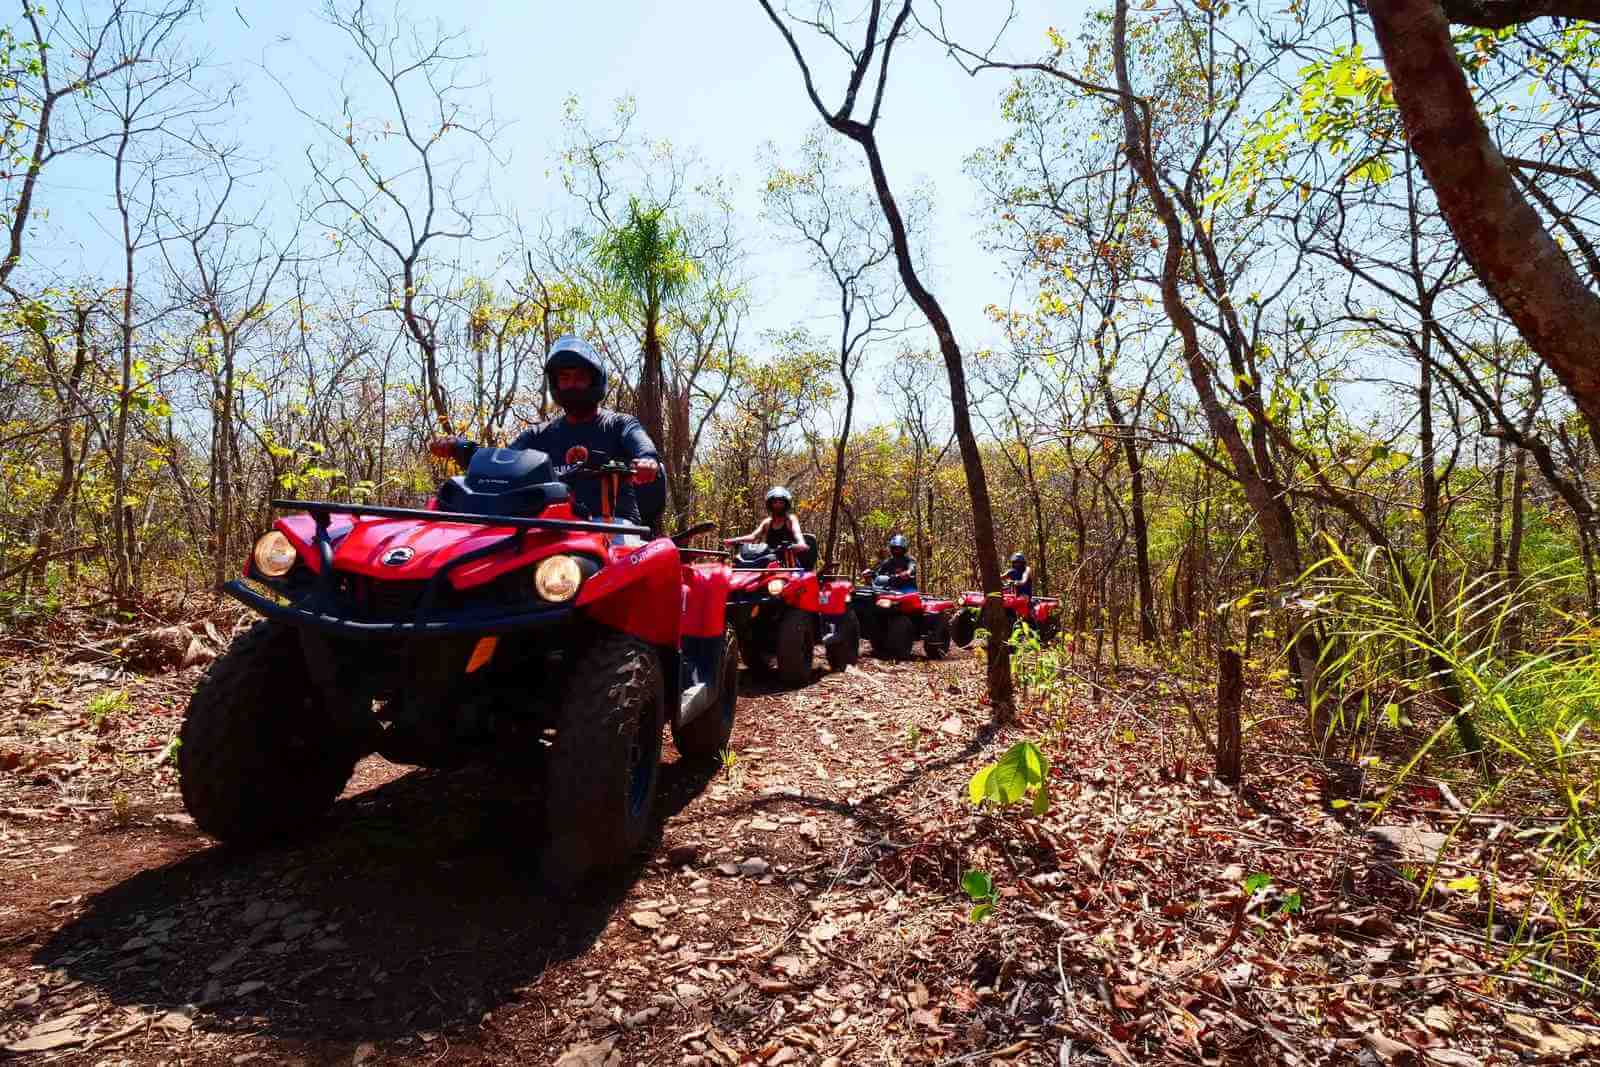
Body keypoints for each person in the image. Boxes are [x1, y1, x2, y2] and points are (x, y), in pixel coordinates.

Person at [429, 335, 662, 525]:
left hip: (615, 527)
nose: (571, 384)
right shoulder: (538, 435)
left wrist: (647, 462)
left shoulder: (619, 424)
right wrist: (460, 449)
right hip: (552, 528)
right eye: (565, 378)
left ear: (594, 381)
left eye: (580, 377)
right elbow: (500, 466)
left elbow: (644, 449)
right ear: (555, 383)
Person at [724, 487, 804, 554]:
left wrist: (801, 543)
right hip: (768, 559)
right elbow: (753, 537)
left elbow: (797, 533)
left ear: (786, 504)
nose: (778, 505)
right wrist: (734, 540)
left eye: (781, 502)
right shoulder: (767, 522)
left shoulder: (790, 520)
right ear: (770, 505)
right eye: (775, 502)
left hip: (788, 560)